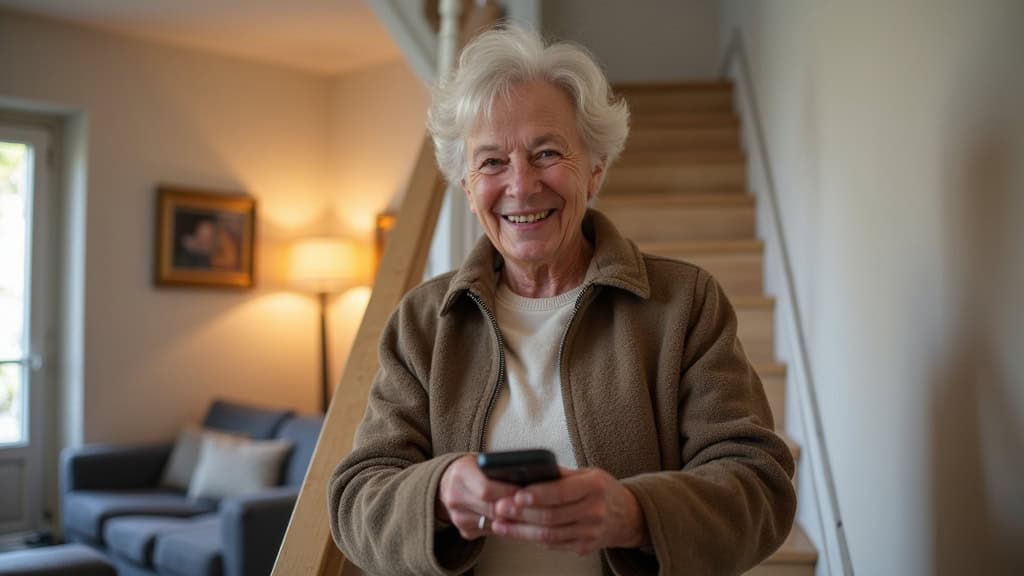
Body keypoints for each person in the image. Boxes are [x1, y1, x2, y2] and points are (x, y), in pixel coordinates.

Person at [329, 25, 795, 575]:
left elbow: (759, 484)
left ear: (595, 169)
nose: (521, 186)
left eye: (546, 153)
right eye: (492, 162)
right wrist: (438, 492)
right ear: (465, 185)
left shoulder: (684, 304)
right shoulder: (423, 322)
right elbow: (357, 496)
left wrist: (635, 514)